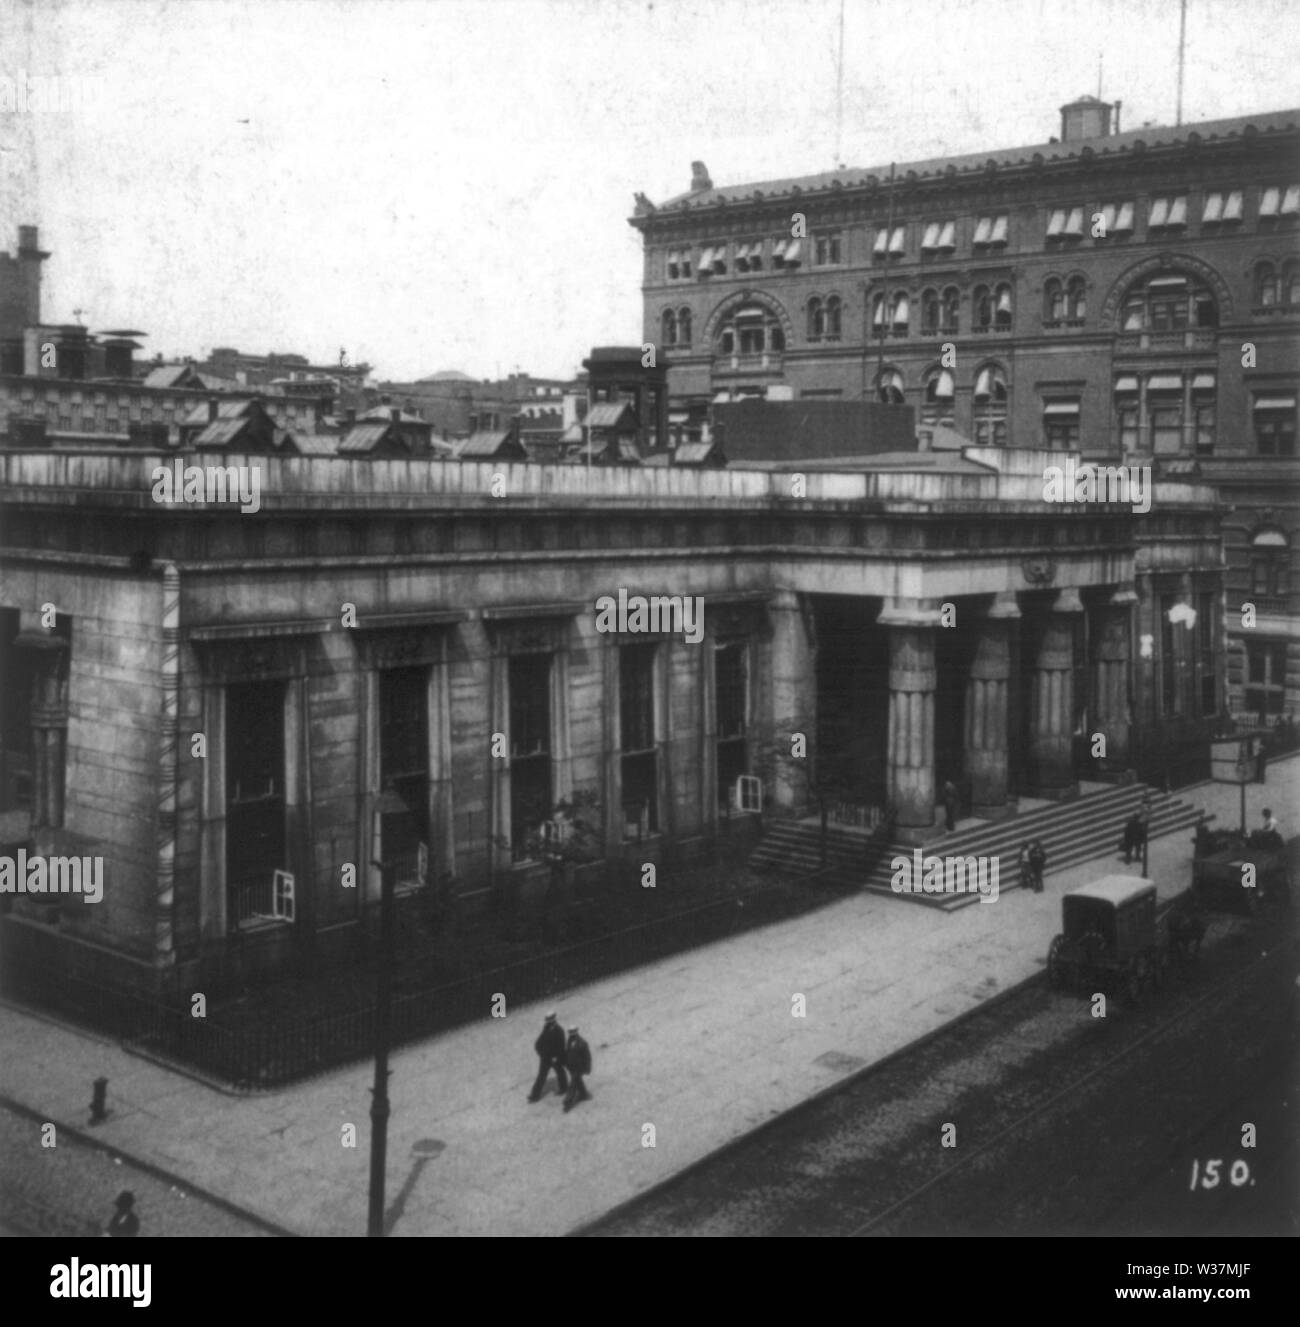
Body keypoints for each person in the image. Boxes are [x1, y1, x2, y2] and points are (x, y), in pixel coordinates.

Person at [528, 1011, 568, 1104]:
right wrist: (539, 1050)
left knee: (560, 1072)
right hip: (545, 1057)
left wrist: (556, 1057)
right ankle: (535, 1095)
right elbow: (539, 1041)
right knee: (541, 1076)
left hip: (555, 1058)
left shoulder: (559, 1030)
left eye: (551, 1020)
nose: (549, 1022)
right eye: (548, 1020)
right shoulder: (546, 1028)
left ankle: (564, 1088)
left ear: (554, 1019)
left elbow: (561, 1046)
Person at [562, 1026, 592, 1113]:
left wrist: (587, 1068)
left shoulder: (582, 1043)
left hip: (579, 1067)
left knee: (573, 1083)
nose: (571, 1035)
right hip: (571, 1066)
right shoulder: (569, 1041)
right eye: (570, 1033)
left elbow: (587, 1057)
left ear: (576, 1032)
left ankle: (567, 1101)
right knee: (578, 1081)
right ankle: (584, 1094)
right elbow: (567, 1052)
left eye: (573, 1033)